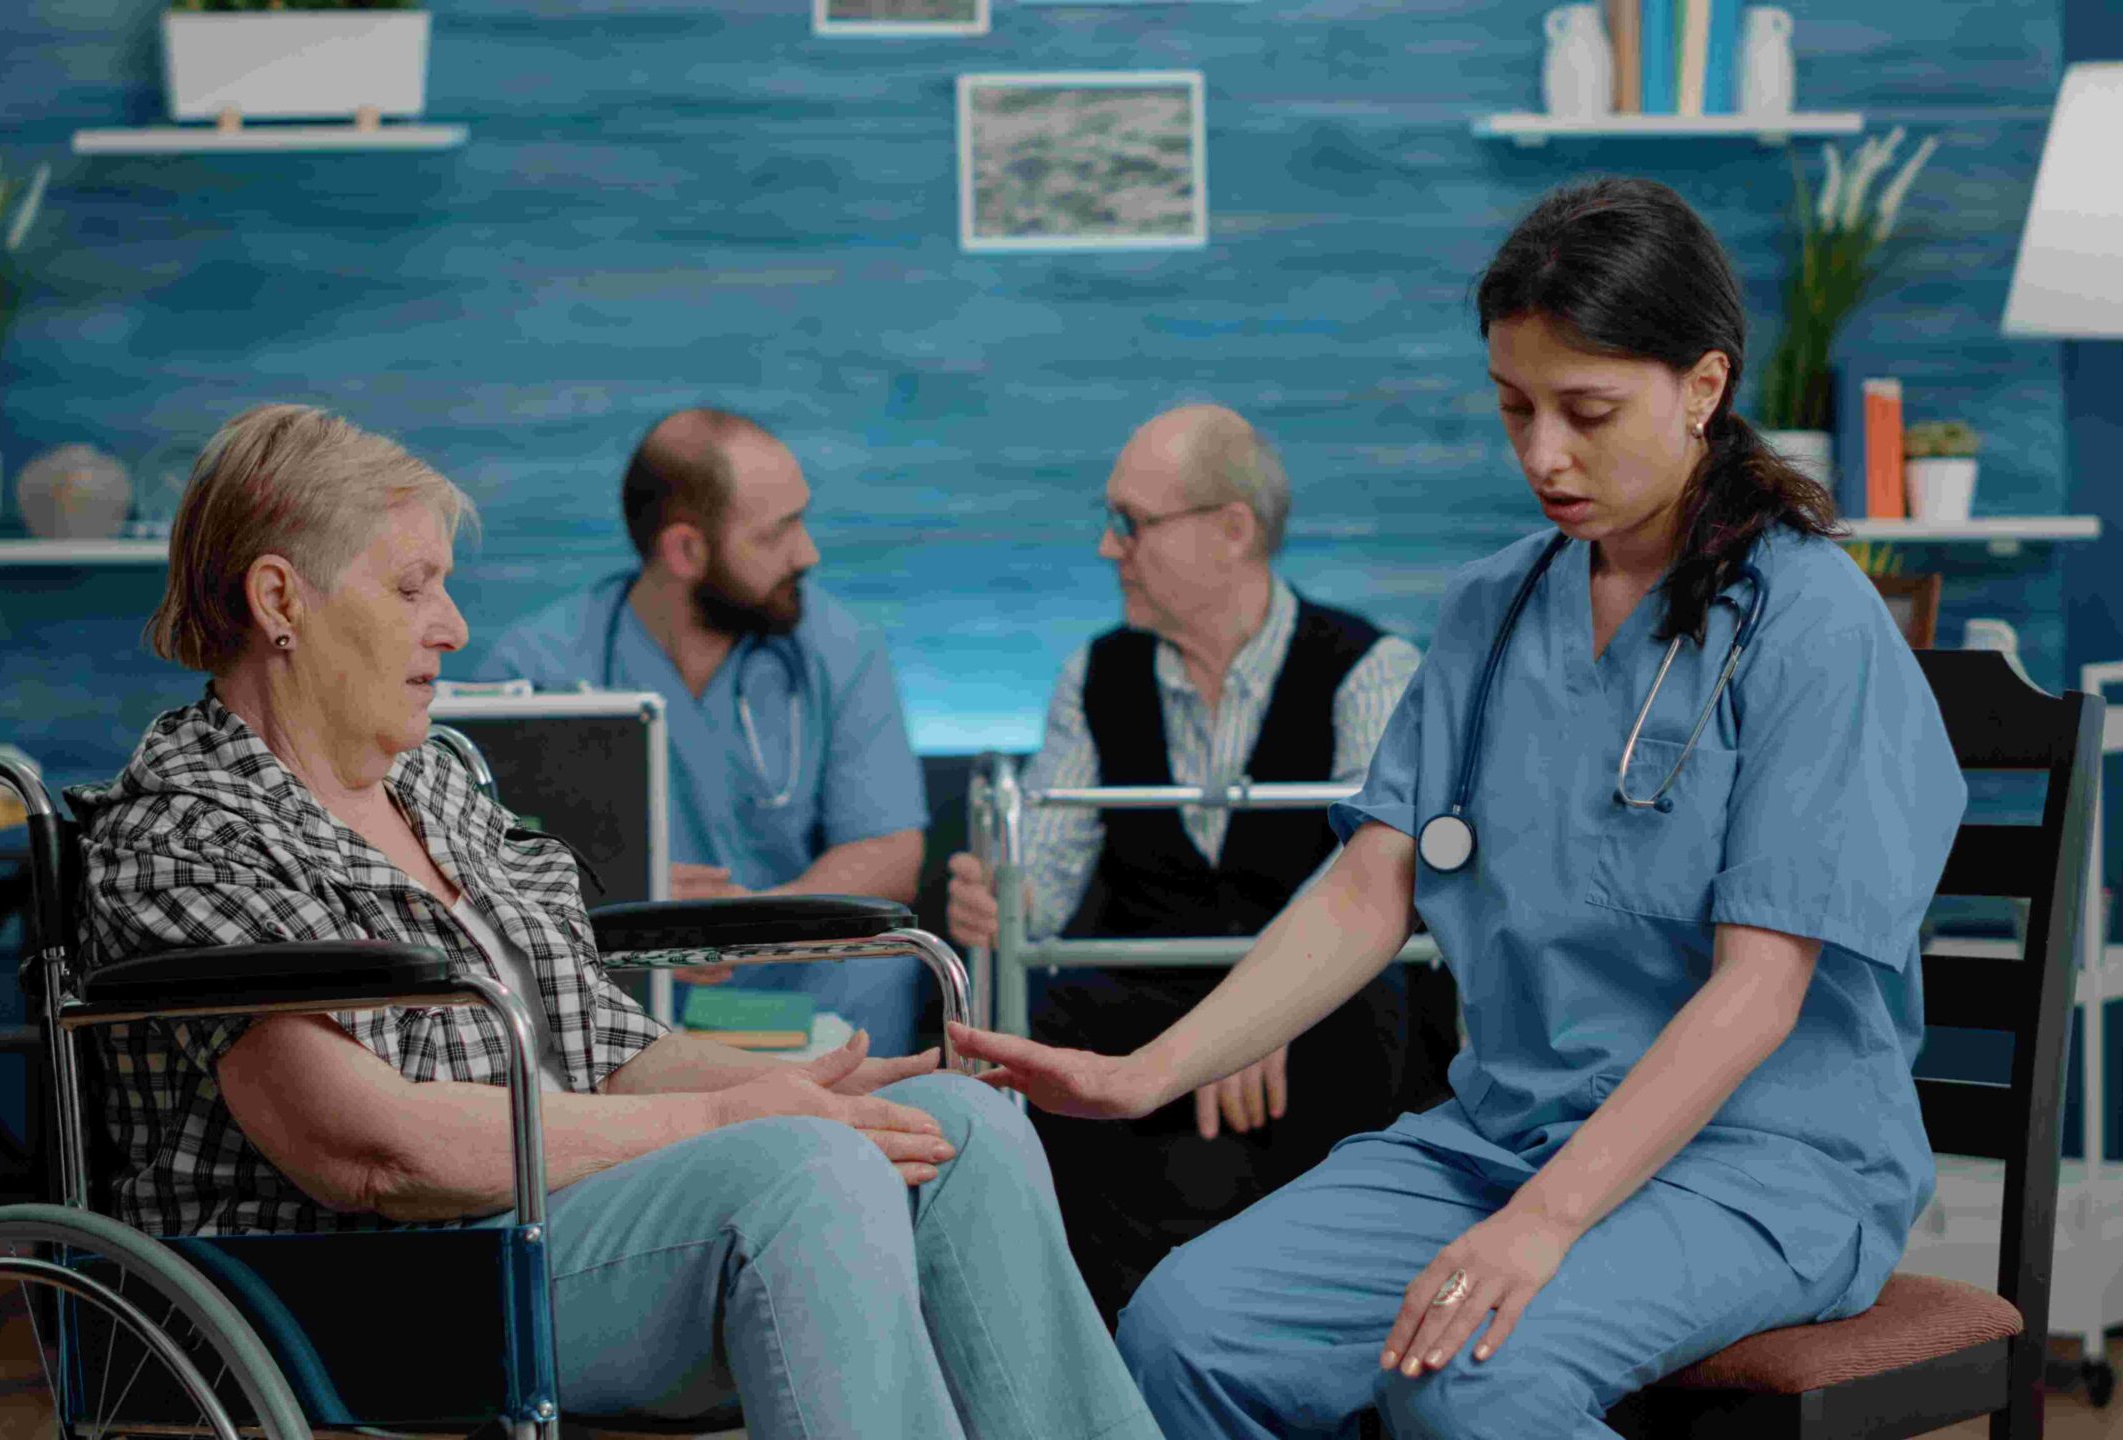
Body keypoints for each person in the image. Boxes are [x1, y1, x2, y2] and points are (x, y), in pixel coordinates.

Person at [949, 176, 1970, 1439]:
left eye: (1586, 412)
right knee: (1186, 1331)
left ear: (1703, 386)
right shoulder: (1494, 610)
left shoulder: (1812, 621)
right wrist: (1141, 1075)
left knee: (1470, 1372)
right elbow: (1369, 890)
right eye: (1513, 408)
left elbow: (1760, 991)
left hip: (1759, 1162)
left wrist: (1543, 1223)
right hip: (1502, 1138)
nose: (1542, 455)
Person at [78, 403, 1161, 1440]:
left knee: (962, 1128)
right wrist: (730, 1118)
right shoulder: (188, 832)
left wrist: (809, 1090)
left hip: (557, 1214)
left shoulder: (435, 783)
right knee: (807, 1173)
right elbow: (369, 1152)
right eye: (412, 588)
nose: (453, 627)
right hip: (369, 1281)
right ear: (280, 599)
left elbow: (601, 1049)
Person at [942, 403, 1441, 1327]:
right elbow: (1040, 886)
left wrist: (1257, 1017)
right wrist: (999, 898)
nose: (1108, 547)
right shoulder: (1094, 676)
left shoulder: (1375, 671)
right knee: (1051, 1056)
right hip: (1141, 1008)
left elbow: (1371, 875)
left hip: (1321, 1017)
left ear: (1233, 530)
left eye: (1131, 523)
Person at [482, 410, 932, 1055]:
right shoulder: (538, 668)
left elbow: (890, 850)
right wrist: (627, 908)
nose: (808, 553)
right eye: (777, 533)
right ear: (686, 551)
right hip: (626, 1017)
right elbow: (481, 873)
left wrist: (746, 928)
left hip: (820, 1004)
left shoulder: (839, 649)